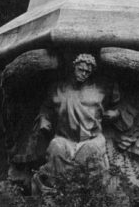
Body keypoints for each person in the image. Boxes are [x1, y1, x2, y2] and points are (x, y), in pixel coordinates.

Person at [31, 54, 125, 192]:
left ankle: (86, 193)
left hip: (91, 139)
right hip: (64, 139)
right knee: (55, 148)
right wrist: (44, 120)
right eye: (81, 69)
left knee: (89, 155)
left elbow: (119, 105)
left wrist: (115, 113)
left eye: (87, 72)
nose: (84, 74)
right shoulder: (58, 89)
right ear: (74, 67)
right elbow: (46, 108)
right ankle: (56, 190)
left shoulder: (101, 89)